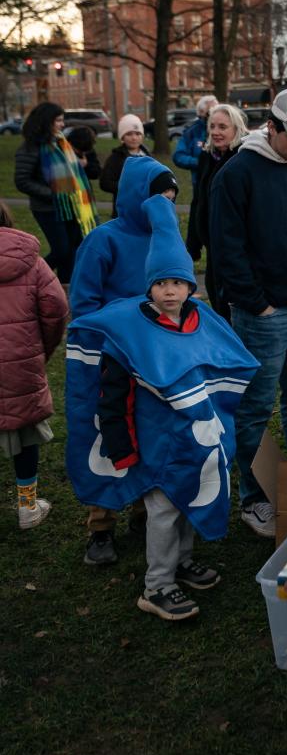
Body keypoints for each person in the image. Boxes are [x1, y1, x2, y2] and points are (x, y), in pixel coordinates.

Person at [65, 195, 259, 621]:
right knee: (164, 513)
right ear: (148, 286)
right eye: (160, 284)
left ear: (191, 286)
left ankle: (182, 562)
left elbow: (227, 366)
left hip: (194, 443)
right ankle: (158, 586)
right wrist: (120, 446)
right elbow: (111, 399)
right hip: (152, 446)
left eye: (178, 283)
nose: (169, 291)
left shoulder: (203, 320)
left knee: (188, 505)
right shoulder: (128, 331)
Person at [209, 87, 287, 538]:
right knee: (255, 407)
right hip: (264, 315)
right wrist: (256, 301)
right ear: (271, 127)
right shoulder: (238, 173)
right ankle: (254, 498)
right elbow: (226, 248)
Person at [69, 156, 180, 565]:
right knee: (105, 436)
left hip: (152, 361)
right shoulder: (103, 240)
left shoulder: (164, 238)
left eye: (171, 200)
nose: (165, 208)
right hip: (109, 359)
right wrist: (119, 333)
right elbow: (83, 304)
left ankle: (139, 509)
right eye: (159, 199)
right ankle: (101, 524)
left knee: (145, 435)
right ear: (138, 196)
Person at [0, 200, 69, 529]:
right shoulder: (32, 262)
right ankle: (28, 506)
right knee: (24, 434)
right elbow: (56, 309)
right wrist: (41, 350)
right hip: (20, 364)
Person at [14, 102, 98, 284]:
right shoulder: (30, 148)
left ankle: (64, 287)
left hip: (71, 205)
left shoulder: (61, 143)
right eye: (58, 120)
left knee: (73, 249)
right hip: (48, 208)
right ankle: (28, 280)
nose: (62, 124)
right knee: (61, 250)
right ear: (46, 122)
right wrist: (53, 194)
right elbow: (22, 181)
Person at [188, 103, 246, 318]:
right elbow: (198, 200)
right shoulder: (207, 157)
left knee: (233, 304)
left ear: (236, 128)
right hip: (213, 247)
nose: (215, 132)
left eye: (222, 127)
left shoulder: (243, 158)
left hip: (236, 248)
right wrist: (193, 244)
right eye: (212, 126)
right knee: (217, 301)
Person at [175, 95, 219, 259]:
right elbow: (178, 156)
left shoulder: (222, 128)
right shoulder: (192, 131)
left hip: (220, 184)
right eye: (210, 111)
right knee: (200, 218)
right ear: (201, 112)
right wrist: (200, 162)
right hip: (199, 185)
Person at [100, 114, 151, 218]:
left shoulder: (148, 156)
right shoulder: (115, 158)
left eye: (137, 134)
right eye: (129, 134)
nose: (134, 138)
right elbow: (105, 183)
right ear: (122, 137)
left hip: (145, 209)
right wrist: (126, 187)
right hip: (124, 210)